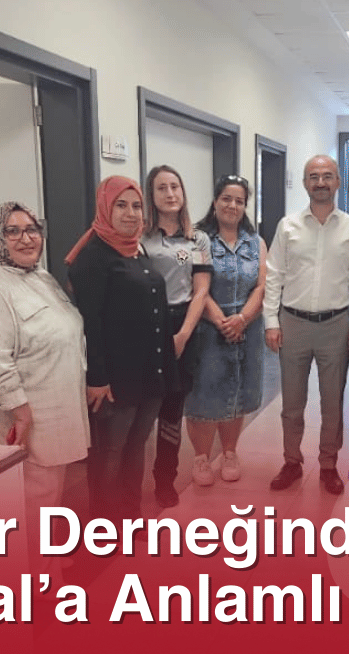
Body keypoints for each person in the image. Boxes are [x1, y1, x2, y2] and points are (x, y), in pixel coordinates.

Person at [0, 200, 89, 586]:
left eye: (32, 229)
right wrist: (21, 412)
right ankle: (34, 582)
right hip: (25, 418)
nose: (26, 238)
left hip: (55, 409)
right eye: (13, 231)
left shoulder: (40, 277)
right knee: (30, 503)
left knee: (48, 498)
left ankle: (47, 565)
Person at [66, 176, 176, 522]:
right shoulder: (93, 258)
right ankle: (104, 526)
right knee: (110, 454)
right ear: (105, 208)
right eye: (121, 205)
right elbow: (90, 323)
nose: (130, 214)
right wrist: (97, 378)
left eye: (136, 206)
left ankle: (131, 516)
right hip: (115, 380)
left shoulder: (136, 248)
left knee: (136, 447)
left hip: (149, 373)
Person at [263, 155, 349, 495]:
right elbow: (274, 276)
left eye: (327, 176)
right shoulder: (288, 226)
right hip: (292, 323)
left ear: (338, 181)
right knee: (292, 403)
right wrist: (270, 321)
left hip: (335, 325)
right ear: (305, 183)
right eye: (314, 176)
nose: (321, 182)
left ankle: (328, 464)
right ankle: (291, 461)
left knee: (332, 402)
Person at [185, 175, 268, 484]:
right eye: (227, 199)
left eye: (239, 201)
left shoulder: (256, 242)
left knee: (238, 392)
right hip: (206, 327)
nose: (233, 205)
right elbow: (195, 286)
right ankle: (201, 458)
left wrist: (242, 319)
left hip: (247, 327)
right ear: (215, 201)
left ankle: (230, 452)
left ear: (245, 206)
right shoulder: (197, 239)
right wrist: (222, 321)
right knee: (204, 394)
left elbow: (262, 286)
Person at [140, 165, 212, 508]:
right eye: (161, 188)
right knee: (141, 410)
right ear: (151, 195)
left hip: (184, 323)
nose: (170, 194)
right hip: (145, 326)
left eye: (175, 187)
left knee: (172, 409)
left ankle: (164, 479)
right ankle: (128, 482)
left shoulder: (197, 239)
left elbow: (201, 290)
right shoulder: (139, 237)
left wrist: (183, 335)